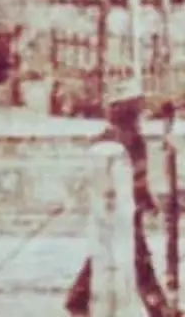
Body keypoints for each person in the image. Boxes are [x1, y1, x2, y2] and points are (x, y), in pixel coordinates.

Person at [67, 81, 176, 317]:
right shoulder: (118, 140)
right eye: (136, 108)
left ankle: (79, 296)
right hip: (119, 207)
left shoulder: (130, 139)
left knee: (121, 252)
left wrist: (145, 198)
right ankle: (158, 308)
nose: (141, 112)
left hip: (127, 208)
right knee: (136, 256)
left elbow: (138, 174)